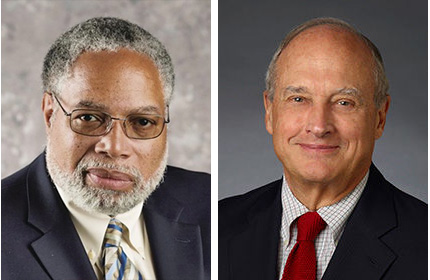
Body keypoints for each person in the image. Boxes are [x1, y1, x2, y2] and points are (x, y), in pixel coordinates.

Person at [2, 17, 210, 280]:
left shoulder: (210, 204)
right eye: (89, 118)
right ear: (49, 113)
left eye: (142, 122)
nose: (114, 147)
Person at [219, 17, 427, 280]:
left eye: (344, 102)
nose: (319, 126)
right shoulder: (219, 224)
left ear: (379, 118)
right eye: (298, 99)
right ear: (270, 112)